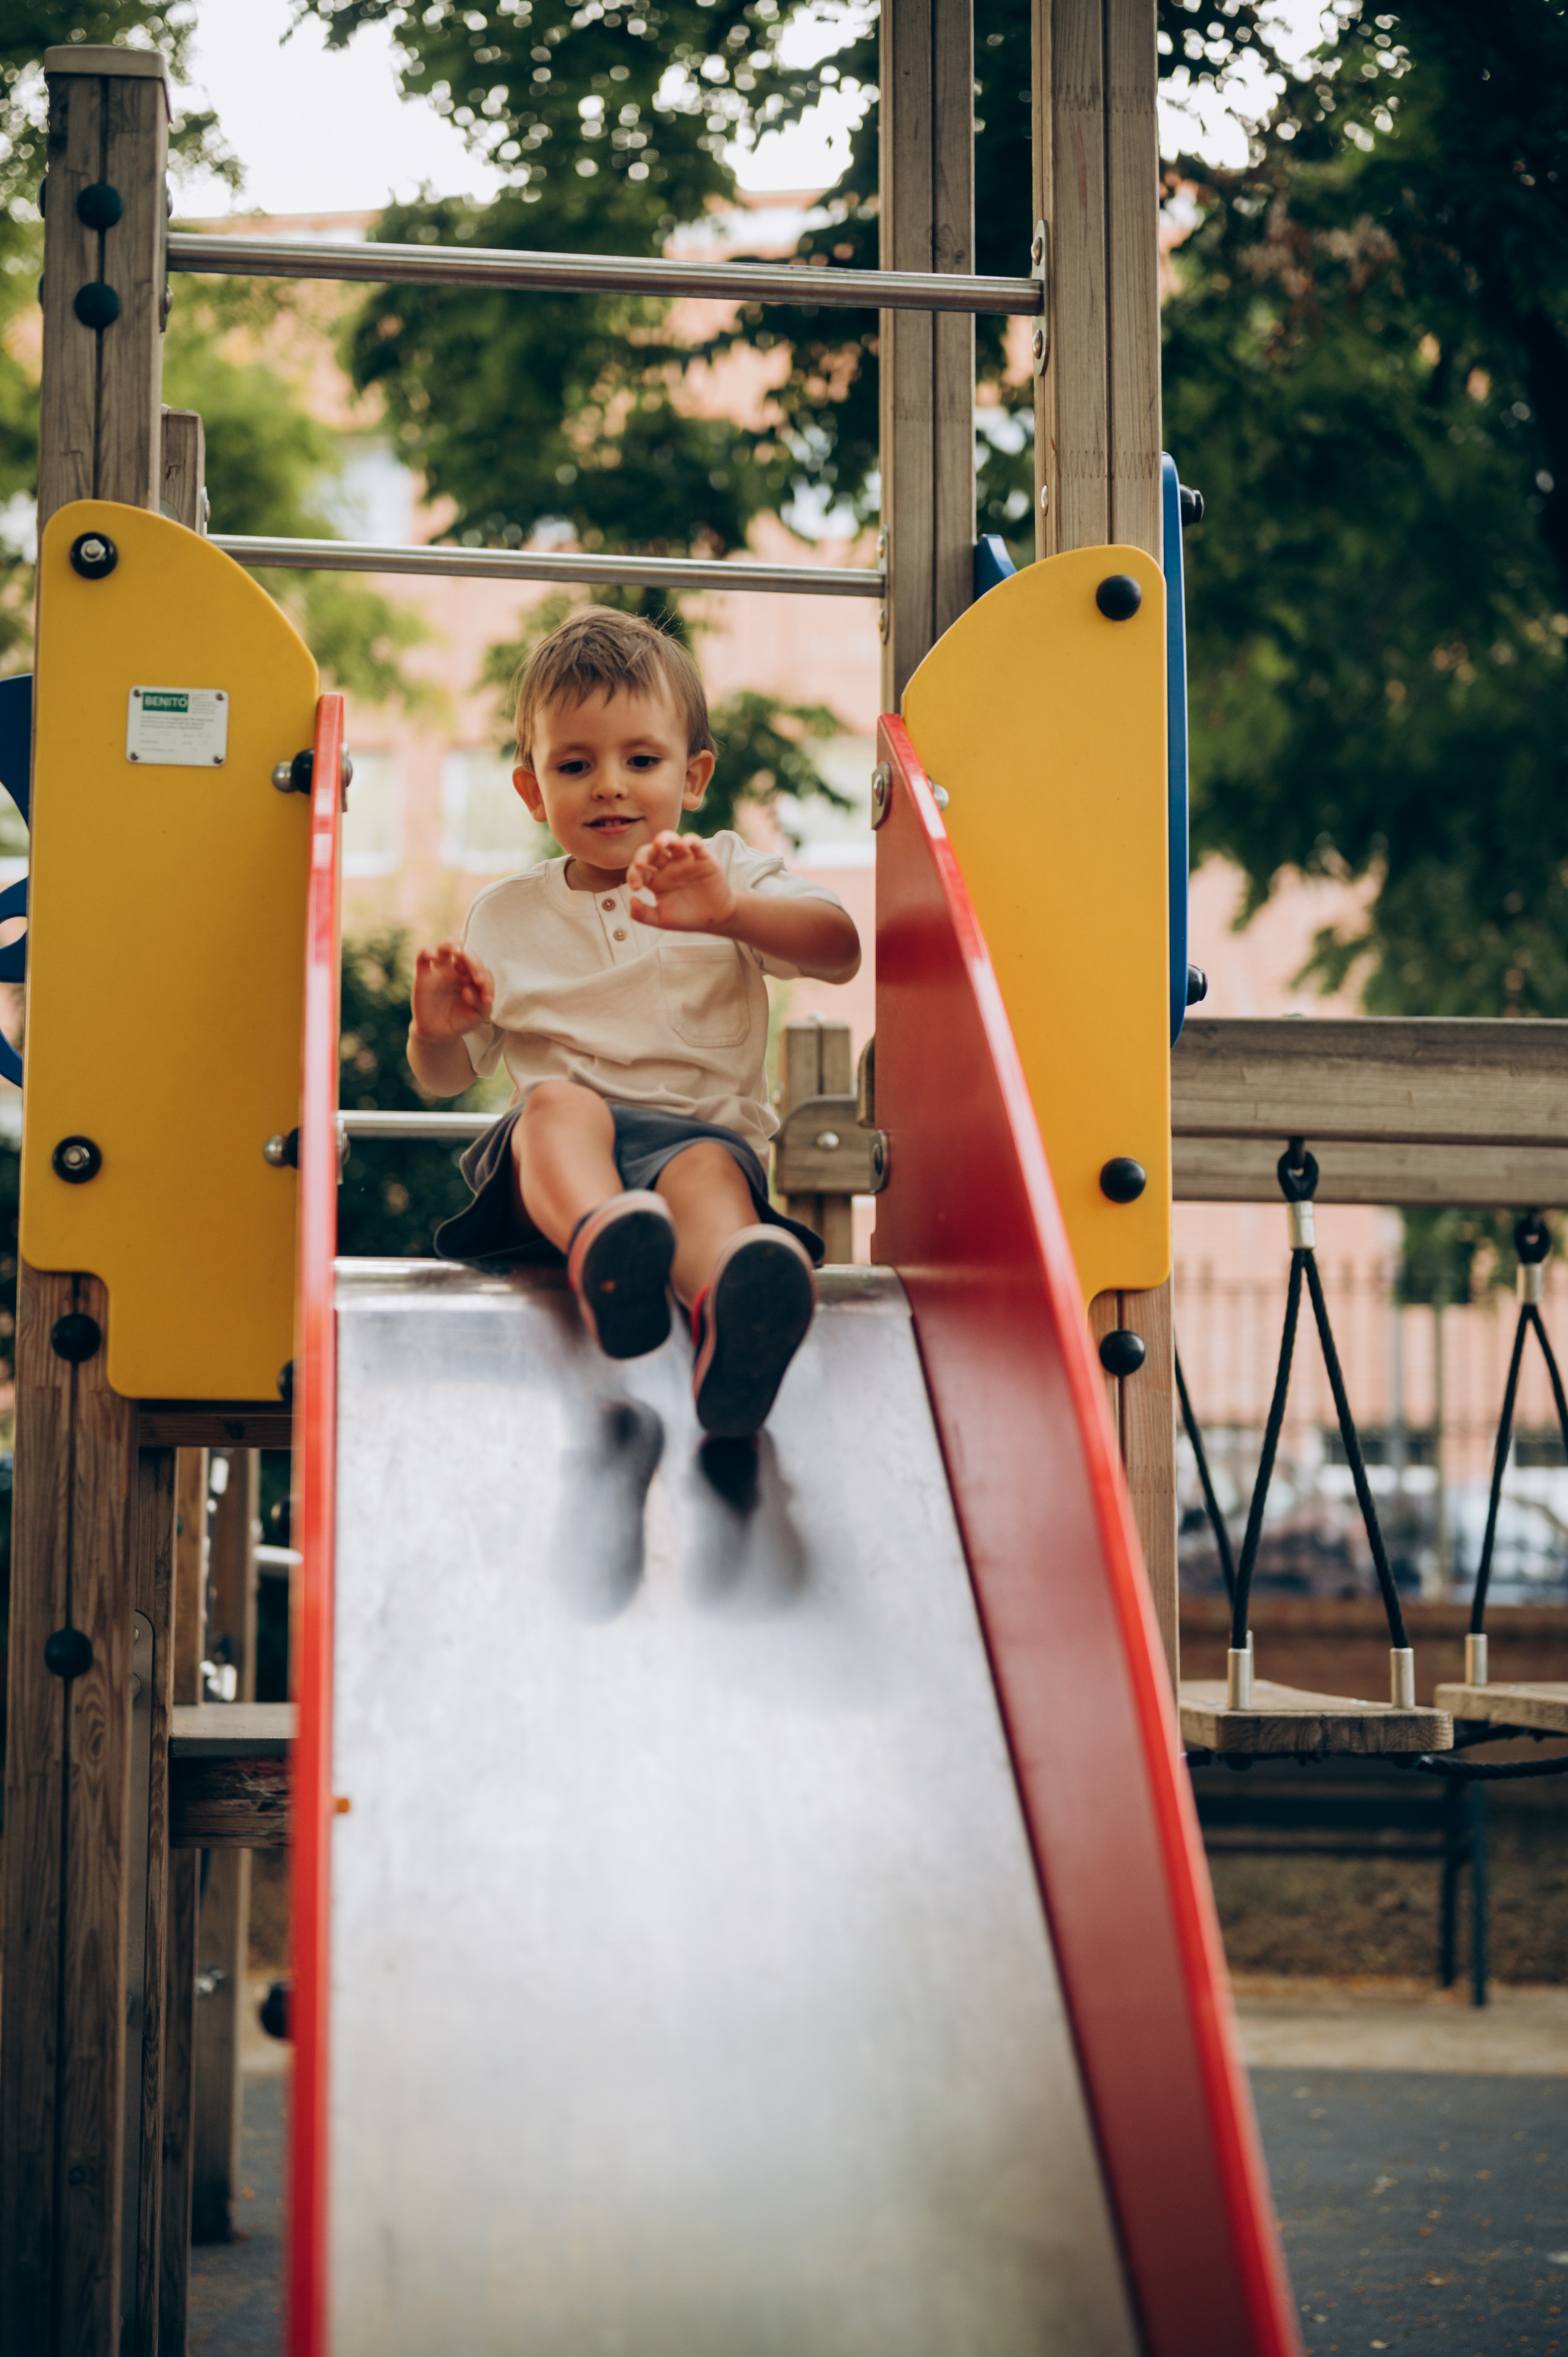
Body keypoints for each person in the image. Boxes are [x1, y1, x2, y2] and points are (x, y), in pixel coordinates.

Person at [407, 607, 862, 1438]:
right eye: (576, 764)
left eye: (641, 759)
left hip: (691, 1144)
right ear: (532, 789)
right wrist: (436, 1032)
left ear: (692, 778)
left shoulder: (722, 872)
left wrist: (733, 914)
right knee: (556, 1106)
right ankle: (608, 1243)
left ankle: (736, 1313)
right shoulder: (505, 915)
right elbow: (446, 1079)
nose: (610, 784)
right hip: (554, 1183)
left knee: (707, 1173)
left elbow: (839, 949)